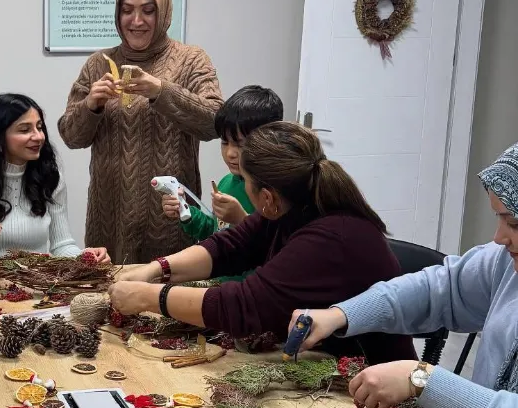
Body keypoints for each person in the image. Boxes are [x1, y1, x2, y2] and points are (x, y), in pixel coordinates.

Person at [292, 142, 518, 408]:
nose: (499, 237)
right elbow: (435, 289)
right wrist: (340, 314)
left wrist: (421, 378)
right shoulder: (503, 264)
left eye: (514, 223)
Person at [111, 122, 416, 363]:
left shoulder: (328, 240)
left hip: (371, 383)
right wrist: (157, 268)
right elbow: (228, 246)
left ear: (267, 197)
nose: (241, 185)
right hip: (321, 361)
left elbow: (242, 308)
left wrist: (148, 297)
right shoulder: (293, 205)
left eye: (245, 181)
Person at [58, 0, 224, 264]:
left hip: (169, 217)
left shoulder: (191, 60)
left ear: (163, 13)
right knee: (107, 302)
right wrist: (91, 105)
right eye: (127, 11)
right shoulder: (98, 64)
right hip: (110, 216)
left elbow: (214, 121)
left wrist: (161, 91)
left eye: (148, 11)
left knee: (168, 301)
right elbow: (70, 136)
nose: (136, 21)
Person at [0, 93, 109, 271]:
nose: (38, 137)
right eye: (24, 130)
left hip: (37, 287)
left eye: (39, 127)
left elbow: (61, 245)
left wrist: (86, 257)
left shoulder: (51, 178)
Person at [161, 85, 284, 259]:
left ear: (270, 139)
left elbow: (277, 248)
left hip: (251, 284)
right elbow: (215, 232)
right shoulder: (228, 181)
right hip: (221, 278)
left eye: (240, 144)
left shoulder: (278, 191)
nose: (230, 153)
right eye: (224, 142)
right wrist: (185, 211)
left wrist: (241, 219)